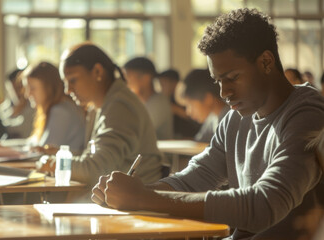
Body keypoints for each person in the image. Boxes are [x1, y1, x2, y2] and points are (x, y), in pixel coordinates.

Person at [92, 8, 324, 240]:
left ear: (265, 62)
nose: (224, 93)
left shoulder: (308, 114)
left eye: (232, 78)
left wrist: (143, 198)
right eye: (218, 81)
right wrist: (127, 193)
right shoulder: (236, 118)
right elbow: (194, 178)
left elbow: (264, 205)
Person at [39, 42, 162, 187]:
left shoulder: (120, 107)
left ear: (97, 72)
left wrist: (53, 164)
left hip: (136, 200)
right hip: (120, 196)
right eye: (65, 83)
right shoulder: (100, 105)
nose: (67, 90)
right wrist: (64, 154)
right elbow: (96, 158)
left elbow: (97, 169)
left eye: (72, 80)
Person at [23, 62, 85, 152]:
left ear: (48, 88)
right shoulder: (58, 107)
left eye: (32, 88)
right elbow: (32, 142)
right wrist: (5, 146)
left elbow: (42, 150)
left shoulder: (60, 112)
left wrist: (9, 149)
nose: (27, 94)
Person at [123, 57, 173, 140]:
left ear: (146, 78)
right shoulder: (136, 102)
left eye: (128, 77)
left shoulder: (159, 103)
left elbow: (136, 131)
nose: (126, 83)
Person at [175, 69, 229, 143]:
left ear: (208, 99)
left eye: (190, 104)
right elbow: (199, 142)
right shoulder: (212, 118)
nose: (188, 112)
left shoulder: (229, 120)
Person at [157, 69, 201, 139]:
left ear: (174, 83)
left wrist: (176, 110)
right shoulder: (163, 100)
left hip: (190, 137)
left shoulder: (183, 97)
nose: (161, 87)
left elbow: (196, 118)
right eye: (160, 84)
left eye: (163, 84)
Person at [0, 69, 35, 139]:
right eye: (12, 89)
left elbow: (22, 129)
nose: (17, 93)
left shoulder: (33, 106)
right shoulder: (2, 108)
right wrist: (13, 113)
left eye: (19, 88)